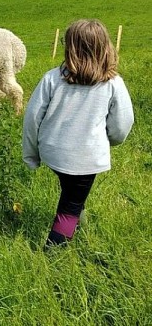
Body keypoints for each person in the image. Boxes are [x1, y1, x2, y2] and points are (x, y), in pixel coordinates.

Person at [23, 19, 134, 248]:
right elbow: (123, 123)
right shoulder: (113, 83)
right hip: (86, 157)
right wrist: (111, 140)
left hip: (54, 153)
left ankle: (79, 226)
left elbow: (32, 118)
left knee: (72, 192)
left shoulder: (52, 78)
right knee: (69, 207)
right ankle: (54, 251)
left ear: (70, 47)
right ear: (105, 47)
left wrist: (31, 154)